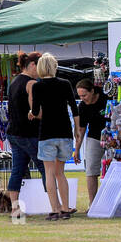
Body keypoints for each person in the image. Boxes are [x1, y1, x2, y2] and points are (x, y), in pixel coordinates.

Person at [29, 52, 79, 220]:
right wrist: (77, 130)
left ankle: (55, 209)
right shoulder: (65, 84)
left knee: (49, 173)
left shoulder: (37, 86)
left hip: (47, 133)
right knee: (61, 173)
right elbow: (74, 107)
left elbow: (36, 111)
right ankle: (65, 208)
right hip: (64, 132)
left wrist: (31, 113)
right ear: (55, 67)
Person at [5, 52, 45, 211]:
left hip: (13, 132)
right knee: (45, 167)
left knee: (17, 170)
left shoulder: (14, 82)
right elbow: (36, 111)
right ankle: (56, 206)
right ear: (33, 65)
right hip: (28, 133)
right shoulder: (31, 84)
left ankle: (15, 207)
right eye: (41, 67)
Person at [74, 78, 109, 205]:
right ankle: (92, 203)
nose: (82, 98)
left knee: (114, 168)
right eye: (80, 96)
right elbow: (81, 130)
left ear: (92, 91)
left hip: (113, 137)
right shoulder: (82, 106)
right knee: (90, 170)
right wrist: (77, 149)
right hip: (94, 137)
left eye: (85, 95)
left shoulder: (106, 97)